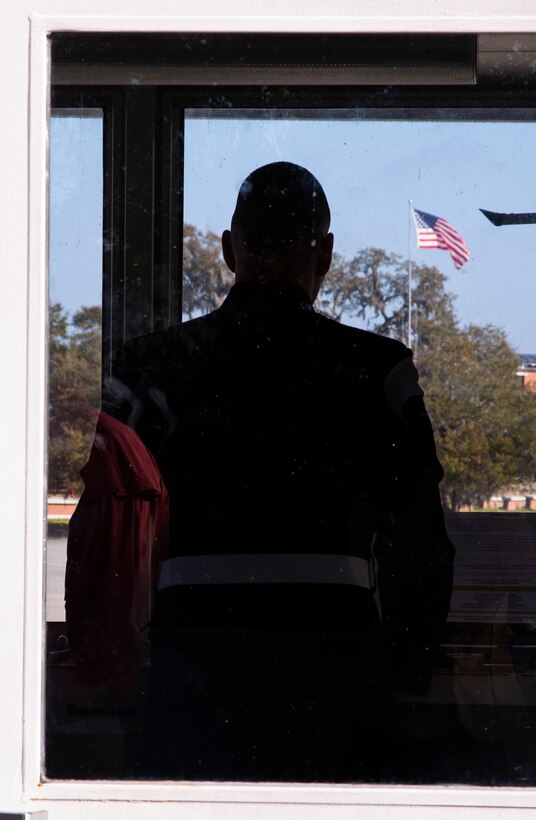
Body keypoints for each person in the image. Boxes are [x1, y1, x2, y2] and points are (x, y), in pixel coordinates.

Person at [101, 161, 454, 780]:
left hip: (193, 653)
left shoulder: (147, 367)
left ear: (230, 250)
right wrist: (413, 660)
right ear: (324, 256)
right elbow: (417, 533)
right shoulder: (378, 370)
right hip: (335, 655)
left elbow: (110, 529)